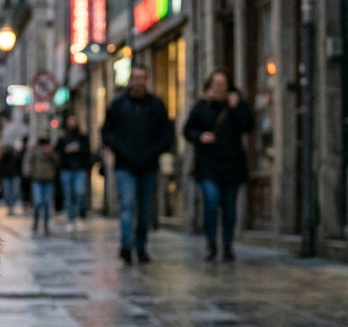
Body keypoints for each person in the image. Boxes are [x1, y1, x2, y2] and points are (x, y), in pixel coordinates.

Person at [101, 66, 174, 264]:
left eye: (142, 78)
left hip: (148, 165)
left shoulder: (156, 105)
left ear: (146, 80)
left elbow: (167, 133)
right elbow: (107, 133)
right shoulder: (118, 105)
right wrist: (120, 149)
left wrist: (154, 152)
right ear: (130, 80)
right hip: (125, 165)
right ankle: (127, 244)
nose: (139, 82)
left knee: (144, 209)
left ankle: (141, 247)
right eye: (136, 78)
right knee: (127, 204)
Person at [184, 70, 254, 262]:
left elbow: (248, 126)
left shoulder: (237, 105)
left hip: (232, 164)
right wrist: (201, 136)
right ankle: (211, 242)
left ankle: (228, 245)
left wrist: (236, 107)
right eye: (216, 84)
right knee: (211, 201)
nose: (219, 88)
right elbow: (187, 130)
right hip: (208, 164)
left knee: (229, 208)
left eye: (223, 84)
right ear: (210, 85)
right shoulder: (201, 106)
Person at [57, 112, 92, 232]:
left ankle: (78, 216)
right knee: (68, 195)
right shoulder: (63, 138)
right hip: (66, 169)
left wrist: (86, 167)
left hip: (79, 169)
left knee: (79, 193)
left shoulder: (82, 137)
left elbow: (87, 153)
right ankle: (70, 219)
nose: (72, 123)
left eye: (74, 120)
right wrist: (66, 150)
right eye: (70, 120)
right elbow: (58, 152)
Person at [23, 136, 59, 236]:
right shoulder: (34, 151)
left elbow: (57, 162)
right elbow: (28, 162)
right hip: (37, 180)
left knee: (47, 203)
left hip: (48, 180)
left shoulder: (52, 152)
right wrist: (29, 174)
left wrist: (50, 154)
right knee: (38, 202)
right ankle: (36, 222)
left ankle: (46, 225)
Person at [0, 141, 23, 215]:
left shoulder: (15, 155)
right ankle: (10, 208)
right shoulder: (6, 156)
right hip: (9, 176)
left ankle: (11, 207)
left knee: (12, 192)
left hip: (13, 176)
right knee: (9, 193)